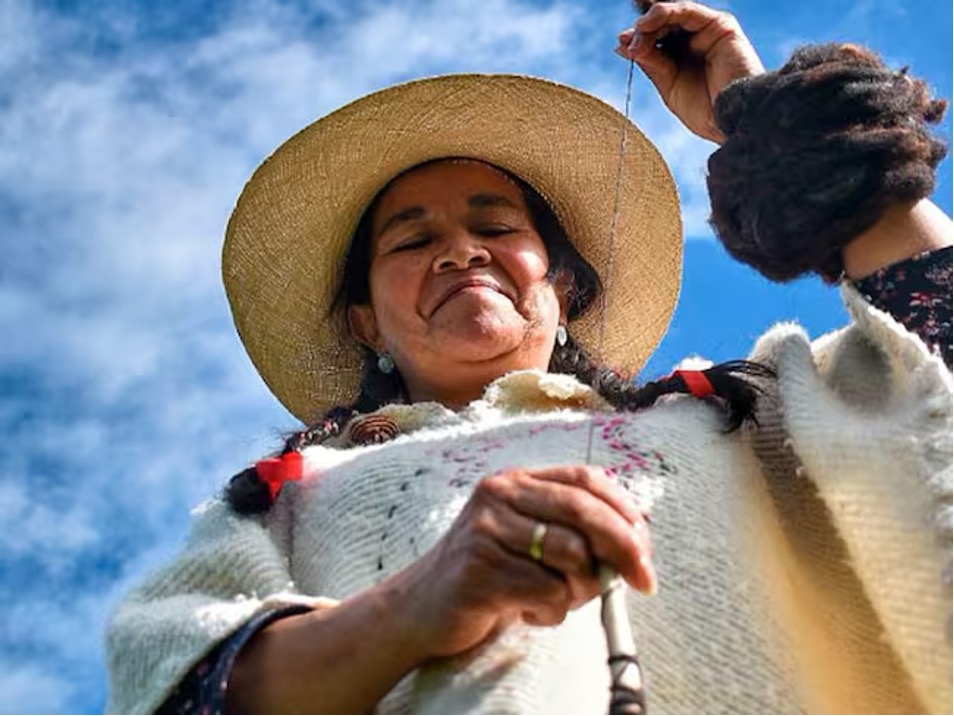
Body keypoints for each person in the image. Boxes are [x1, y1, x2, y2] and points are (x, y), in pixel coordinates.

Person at [105, 2, 953, 714]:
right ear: (364, 322)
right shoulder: (289, 497)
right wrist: (414, 606)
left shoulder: (738, 417)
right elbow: (177, 684)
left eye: (498, 227)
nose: (461, 253)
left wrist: (763, 115)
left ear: (566, 289)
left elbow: (935, 344)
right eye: (412, 239)